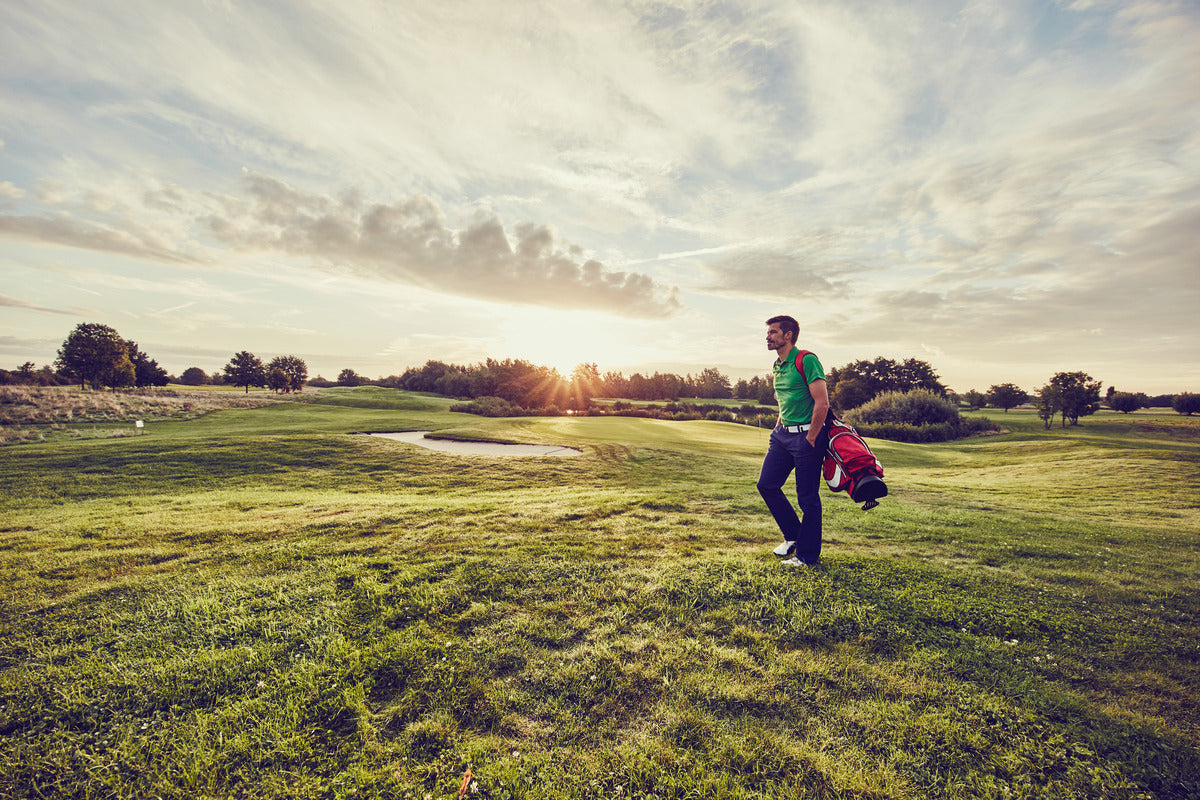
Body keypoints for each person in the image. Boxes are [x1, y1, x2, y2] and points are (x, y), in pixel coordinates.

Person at [757, 315, 830, 568]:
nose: (768, 336)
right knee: (766, 485)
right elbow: (786, 399)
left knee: (807, 498)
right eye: (768, 333)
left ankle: (807, 557)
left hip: (807, 436)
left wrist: (811, 437)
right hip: (783, 435)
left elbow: (822, 402)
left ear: (788, 335)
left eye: (773, 332)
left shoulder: (806, 360)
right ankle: (793, 536)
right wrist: (779, 424)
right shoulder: (778, 365)